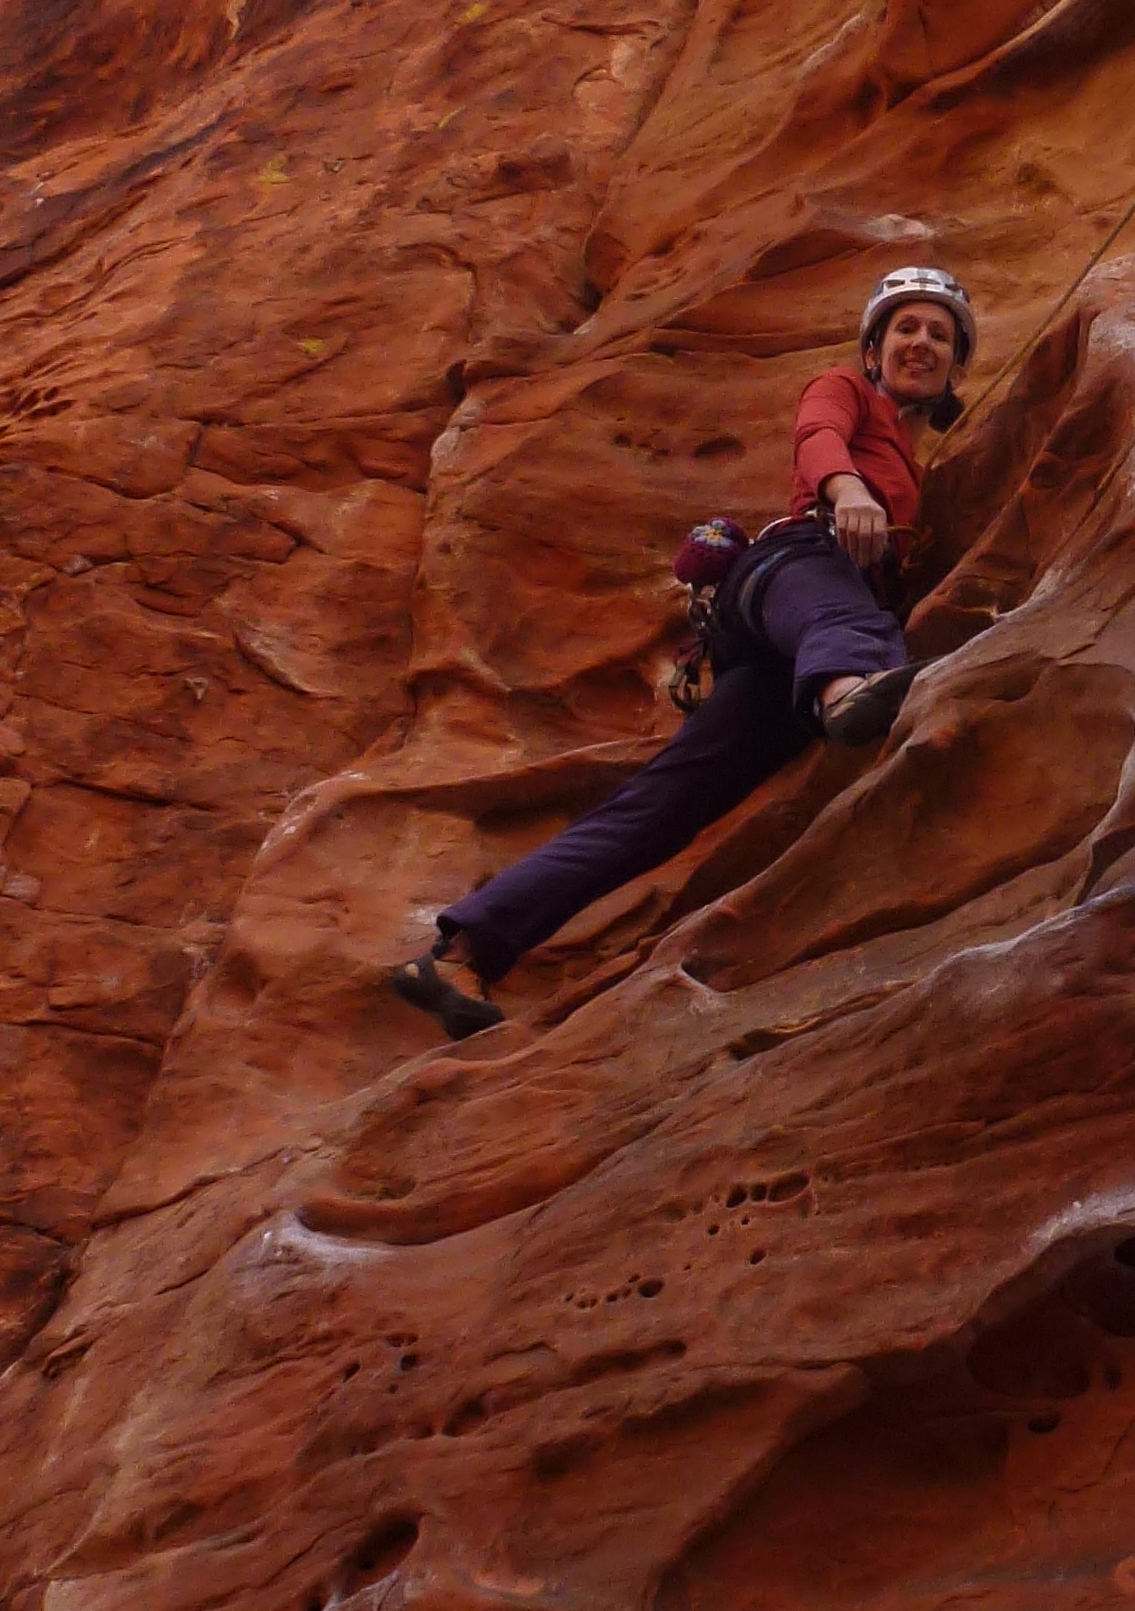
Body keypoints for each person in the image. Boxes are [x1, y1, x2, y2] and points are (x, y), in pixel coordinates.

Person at [393, 266, 977, 1040]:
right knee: (847, 611)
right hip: (790, 570)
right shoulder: (844, 389)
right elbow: (816, 436)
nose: (922, 343)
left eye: (940, 335)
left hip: (778, 651)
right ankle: (849, 688)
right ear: (873, 348)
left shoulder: (910, 456)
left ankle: (463, 951)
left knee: (664, 806)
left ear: (955, 369)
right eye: (907, 327)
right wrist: (848, 492)